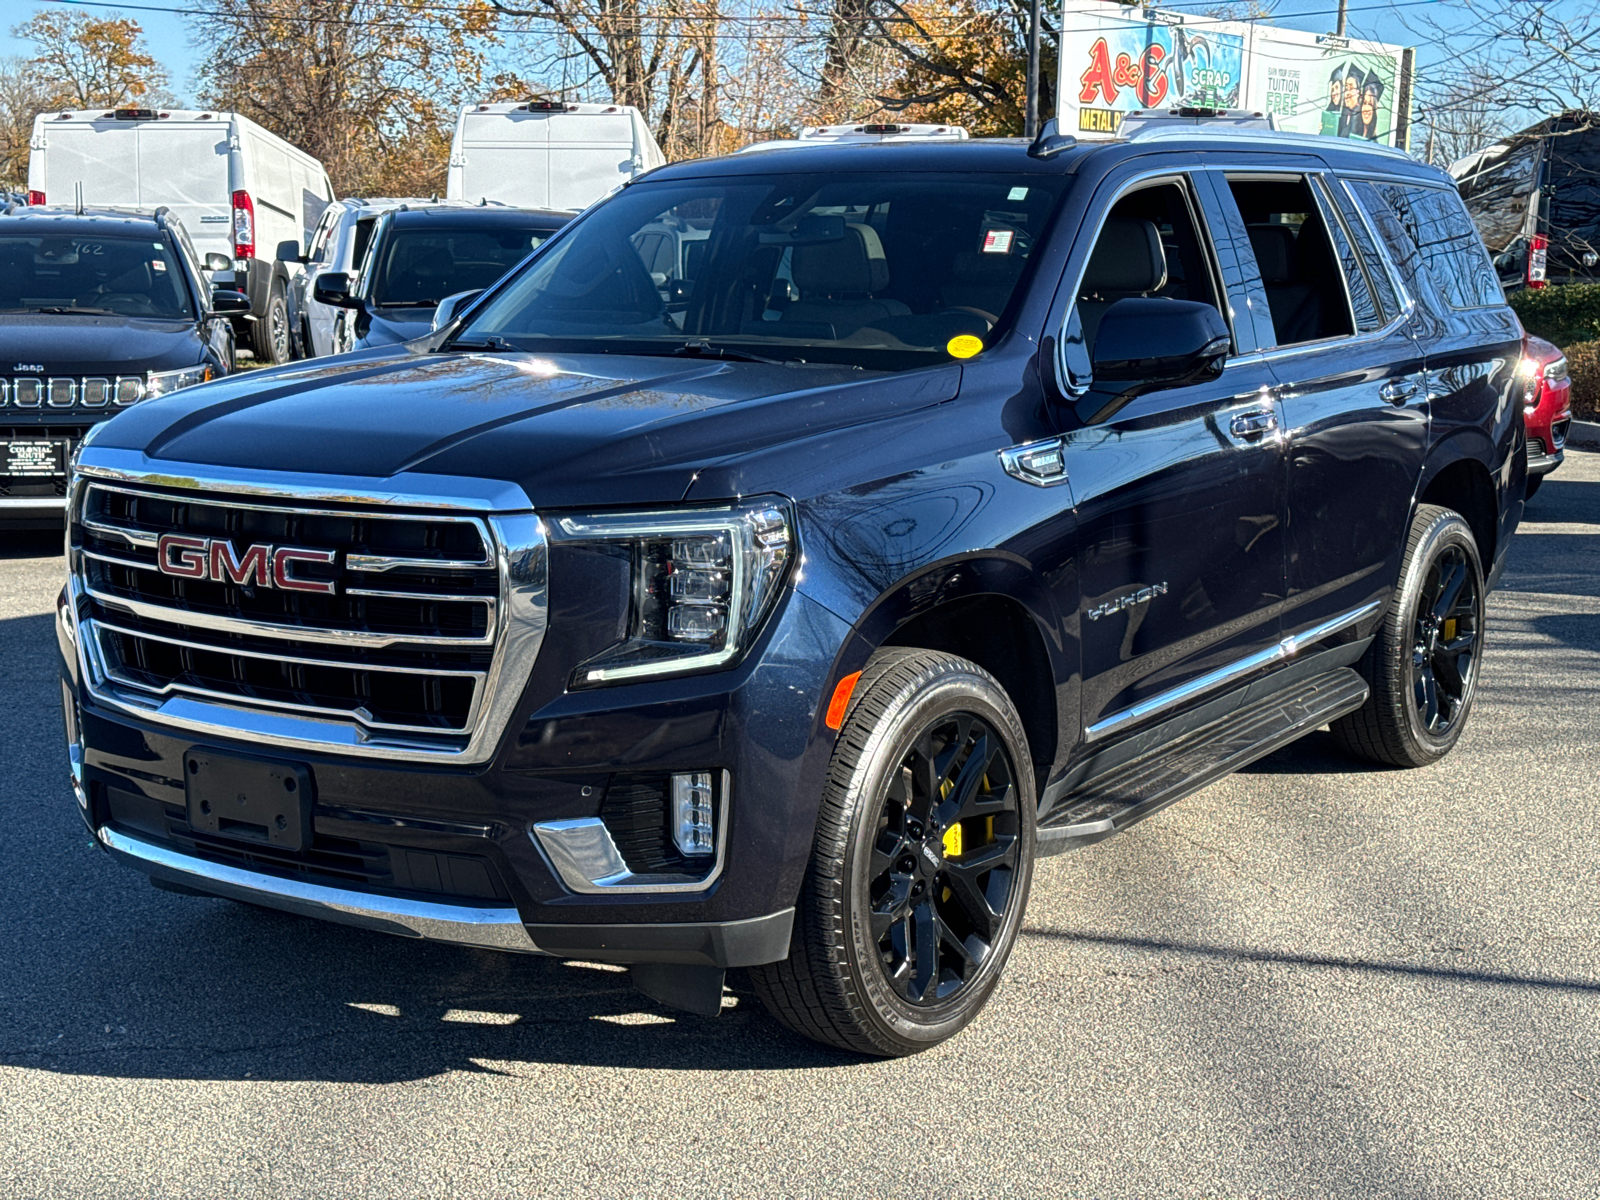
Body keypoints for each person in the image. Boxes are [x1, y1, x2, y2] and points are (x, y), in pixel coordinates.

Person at [1337, 65, 1363, 137]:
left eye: (1351, 88)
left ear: (1358, 92)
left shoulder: (1360, 116)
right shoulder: (1344, 114)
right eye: (1346, 88)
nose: (1347, 93)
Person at [1359, 73, 1385, 141]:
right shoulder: (1352, 133)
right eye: (1364, 103)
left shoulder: (1374, 143)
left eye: (1370, 104)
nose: (1366, 109)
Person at [1320, 65, 1345, 136]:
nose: (1334, 93)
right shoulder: (1328, 112)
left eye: (1337, 87)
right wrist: (1321, 130)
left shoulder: (1347, 114)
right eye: (1332, 89)